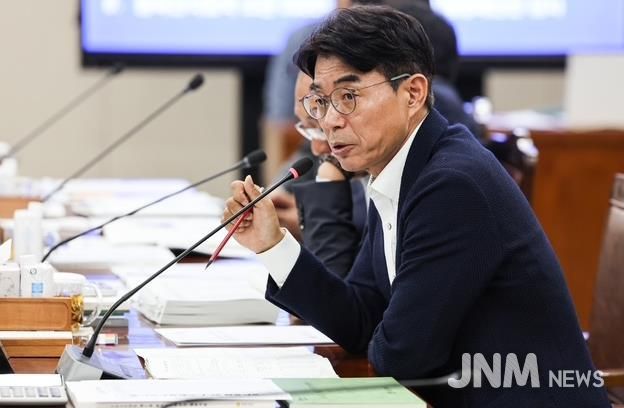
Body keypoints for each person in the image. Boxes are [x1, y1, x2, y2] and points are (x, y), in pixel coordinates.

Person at [226, 6, 609, 407]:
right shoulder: (400, 167)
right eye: (321, 102)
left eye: (349, 97)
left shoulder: (451, 185)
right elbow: (362, 316)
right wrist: (273, 245)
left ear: (413, 94)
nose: (330, 121)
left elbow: (402, 356)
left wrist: (381, 332)